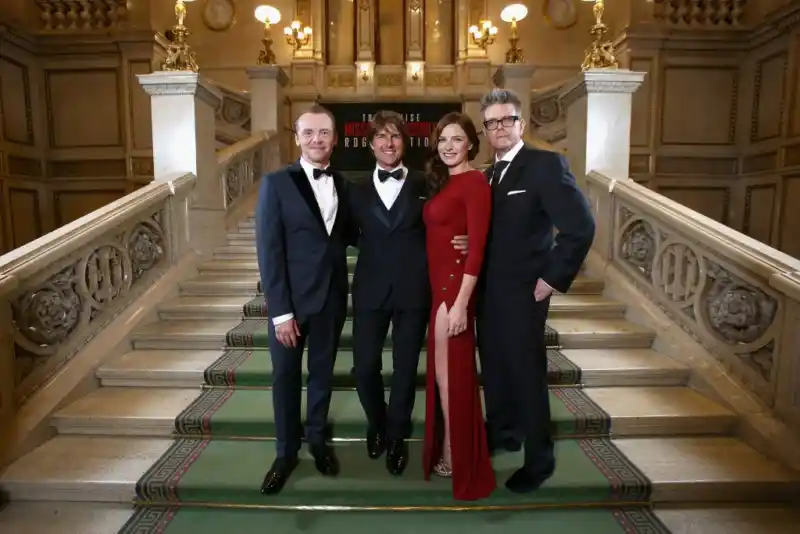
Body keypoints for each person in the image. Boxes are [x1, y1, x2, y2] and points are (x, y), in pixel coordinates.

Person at [476, 88, 595, 493]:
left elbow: (580, 228)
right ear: (486, 130)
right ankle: (505, 432)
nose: (500, 128)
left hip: (527, 292)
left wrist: (551, 279)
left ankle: (539, 459)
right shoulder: (486, 174)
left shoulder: (545, 166)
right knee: (494, 368)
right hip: (488, 293)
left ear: (521, 124)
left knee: (526, 375)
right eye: (492, 122)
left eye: (507, 120)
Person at [347, 110, 468, 476]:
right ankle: (376, 423)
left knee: (404, 369)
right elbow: (348, 235)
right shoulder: (355, 190)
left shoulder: (426, 182)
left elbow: (447, 219)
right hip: (369, 290)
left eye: (395, 136)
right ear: (370, 145)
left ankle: (397, 435)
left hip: (415, 289)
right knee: (364, 367)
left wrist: (463, 239)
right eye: (381, 137)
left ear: (405, 141)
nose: (388, 143)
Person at [255, 105, 351, 495]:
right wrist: (281, 313)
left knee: (323, 376)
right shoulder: (276, 184)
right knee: (285, 378)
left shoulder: (343, 184)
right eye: (308, 133)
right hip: (290, 304)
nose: (316, 139)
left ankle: (317, 441)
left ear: (335, 139)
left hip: (330, 299)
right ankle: (285, 452)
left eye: (323, 133)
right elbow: (270, 251)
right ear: (296, 138)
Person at [421, 112, 495, 501]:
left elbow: (477, 248)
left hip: (454, 296)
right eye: (443, 139)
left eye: (457, 139)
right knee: (445, 380)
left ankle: (457, 456)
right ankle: (451, 449)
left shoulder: (476, 182)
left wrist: (462, 304)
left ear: (470, 143)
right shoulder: (442, 182)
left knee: (453, 381)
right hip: (439, 292)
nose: (448, 146)